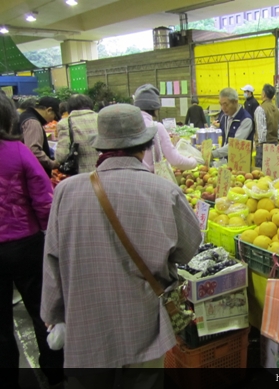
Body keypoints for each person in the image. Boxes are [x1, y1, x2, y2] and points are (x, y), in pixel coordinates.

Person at [41, 104, 202, 386]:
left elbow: (52, 258)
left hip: (85, 317)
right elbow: (189, 248)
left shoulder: (66, 191)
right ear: (144, 145)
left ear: (101, 146)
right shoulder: (165, 191)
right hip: (142, 317)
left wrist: (52, 313)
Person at [0, 93, 64, 389]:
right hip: (24, 243)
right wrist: (49, 234)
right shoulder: (18, 151)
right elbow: (44, 201)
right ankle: (54, 371)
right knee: (42, 310)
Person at [133, 84, 197, 171]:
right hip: (150, 178)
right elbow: (175, 160)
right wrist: (193, 162)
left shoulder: (130, 125)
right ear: (155, 107)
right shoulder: (156, 127)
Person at [16, 96, 61, 176]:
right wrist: (52, 164)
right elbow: (34, 150)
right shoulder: (33, 123)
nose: (52, 120)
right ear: (49, 110)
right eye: (54, 116)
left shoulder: (24, 116)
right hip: (30, 174)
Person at [55, 94, 99, 174]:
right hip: (104, 171)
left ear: (69, 107)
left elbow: (61, 156)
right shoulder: (101, 118)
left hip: (81, 174)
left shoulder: (65, 123)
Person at [212, 88, 253, 159]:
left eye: (226, 104)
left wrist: (214, 154)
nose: (223, 108)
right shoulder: (225, 116)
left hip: (240, 162)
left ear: (235, 102)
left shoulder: (246, 119)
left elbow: (235, 144)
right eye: (221, 104)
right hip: (226, 159)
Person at [254, 84, 279, 168]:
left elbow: (261, 130)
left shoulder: (260, 109)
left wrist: (260, 144)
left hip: (264, 146)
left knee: (262, 172)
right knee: (273, 169)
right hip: (275, 143)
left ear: (264, 94)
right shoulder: (277, 109)